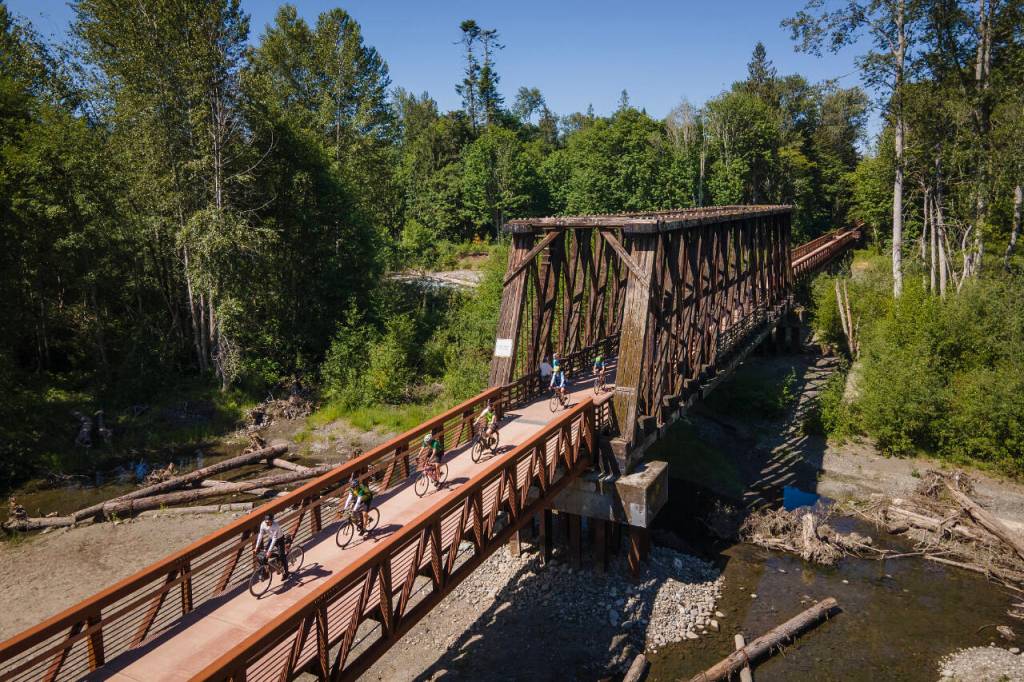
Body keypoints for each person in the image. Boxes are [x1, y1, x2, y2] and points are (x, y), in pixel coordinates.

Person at [255, 512, 290, 579]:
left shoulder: (275, 526)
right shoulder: (263, 524)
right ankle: (277, 558)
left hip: (279, 539)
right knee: (265, 552)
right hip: (271, 538)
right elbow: (260, 535)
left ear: (272, 521)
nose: (268, 524)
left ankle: (286, 572)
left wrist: (269, 551)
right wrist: (256, 547)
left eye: (269, 522)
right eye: (266, 522)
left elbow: (275, 539)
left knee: (282, 557)